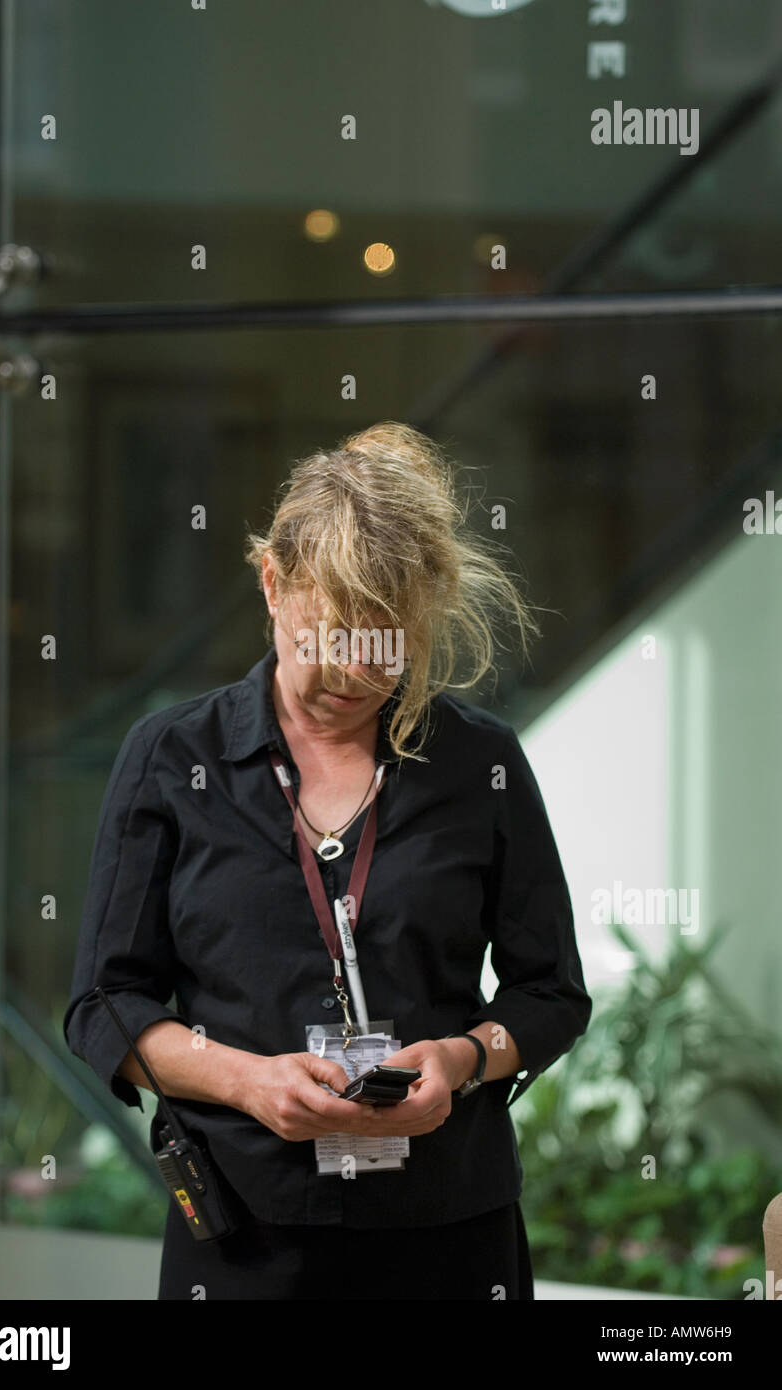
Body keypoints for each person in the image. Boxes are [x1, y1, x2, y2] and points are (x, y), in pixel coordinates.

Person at [64, 420, 592, 1301]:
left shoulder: (480, 764)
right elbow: (102, 1006)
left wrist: (463, 1060)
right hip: (241, 1238)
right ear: (273, 584)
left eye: (386, 646)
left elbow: (551, 993)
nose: (352, 672)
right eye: (329, 637)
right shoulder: (169, 756)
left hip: (448, 1239)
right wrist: (248, 1082)